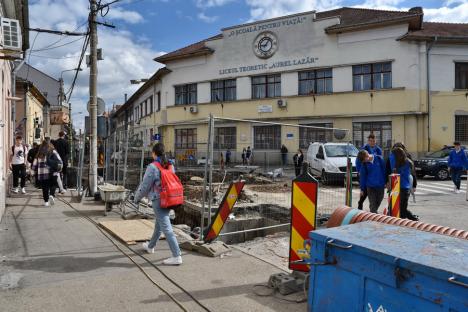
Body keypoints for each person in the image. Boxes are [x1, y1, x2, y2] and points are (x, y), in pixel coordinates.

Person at [134, 143, 182, 266]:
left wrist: (137, 198)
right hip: (170, 199)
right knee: (159, 225)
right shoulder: (170, 165)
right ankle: (150, 246)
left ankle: (177, 256)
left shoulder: (153, 167)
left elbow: (145, 186)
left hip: (158, 200)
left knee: (166, 228)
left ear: (154, 153)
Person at [389, 147, 418, 220]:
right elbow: (412, 174)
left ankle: (413, 218)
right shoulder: (408, 162)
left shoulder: (398, 163)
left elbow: (395, 171)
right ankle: (411, 218)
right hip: (405, 188)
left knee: (398, 208)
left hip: (399, 187)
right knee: (402, 207)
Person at [355, 134, 383, 210]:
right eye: (370, 141)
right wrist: (359, 171)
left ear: (375, 141)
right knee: (365, 189)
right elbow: (358, 161)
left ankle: (373, 208)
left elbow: (381, 161)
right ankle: (361, 203)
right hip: (364, 172)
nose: (372, 142)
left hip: (375, 172)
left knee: (372, 192)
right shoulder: (364, 149)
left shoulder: (378, 150)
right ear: (368, 141)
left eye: (373, 141)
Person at [32, 141, 62, 206]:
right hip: (52, 172)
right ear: (50, 145)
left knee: (45, 188)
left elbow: (35, 163)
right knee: (53, 185)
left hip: (42, 173)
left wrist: (33, 171)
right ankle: (51, 194)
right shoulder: (53, 151)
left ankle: (46, 202)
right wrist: (59, 169)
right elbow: (60, 161)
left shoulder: (39, 153)